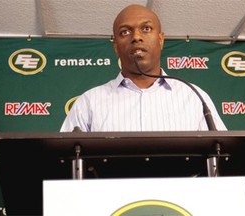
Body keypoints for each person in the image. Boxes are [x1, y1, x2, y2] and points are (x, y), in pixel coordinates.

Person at [60, 4, 227, 132]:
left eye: (146, 29)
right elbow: (64, 164)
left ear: (161, 40)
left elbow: (223, 160)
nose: (136, 37)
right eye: (125, 32)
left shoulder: (194, 97)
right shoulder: (89, 103)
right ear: (116, 47)